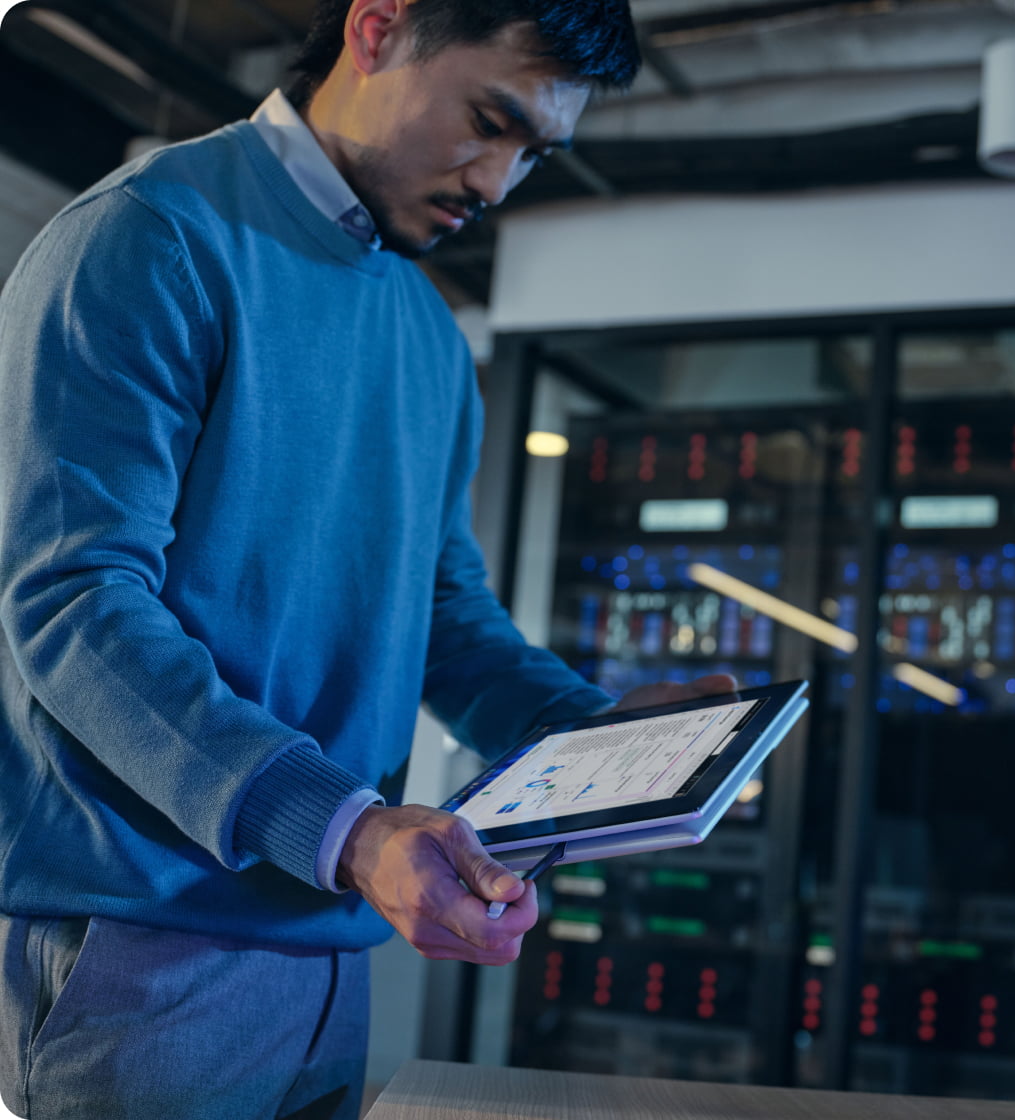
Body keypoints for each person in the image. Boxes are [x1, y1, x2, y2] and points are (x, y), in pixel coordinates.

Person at [0, 1, 733, 1117]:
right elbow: (72, 601)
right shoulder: (150, 235)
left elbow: (441, 616)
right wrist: (341, 826)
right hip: (147, 945)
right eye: (490, 120)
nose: (496, 183)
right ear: (379, 25)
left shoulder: (432, 340)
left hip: (338, 948)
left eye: (533, 153)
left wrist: (593, 740)